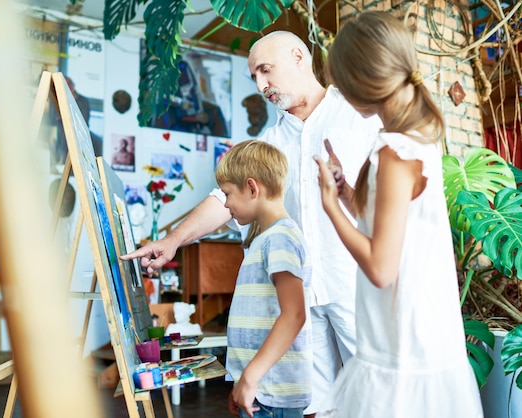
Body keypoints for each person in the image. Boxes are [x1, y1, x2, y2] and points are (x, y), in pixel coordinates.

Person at [121, 30, 382, 416]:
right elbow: (224, 201)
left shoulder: (359, 117)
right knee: (316, 407)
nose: (261, 85)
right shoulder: (271, 140)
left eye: (266, 70)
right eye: (255, 76)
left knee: (378, 397)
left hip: (356, 287)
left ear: (298, 56)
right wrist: (175, 240)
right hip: (300, 297)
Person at [313, 11, 483, 417]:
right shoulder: (413, 140)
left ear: (360, 81)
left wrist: (327, 208)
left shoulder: (394, 153)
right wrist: (345, 193)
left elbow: (380, 268)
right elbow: (384, 219)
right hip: (417, 330)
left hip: (403, 340)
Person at [215, 140, 313, 418]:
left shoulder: (280, 238)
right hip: (261, 389)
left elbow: (294, 314)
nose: (226, 203)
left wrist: (251, 377)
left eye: (227, 194)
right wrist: (243, 380)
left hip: (272, 392)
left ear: (251, 187)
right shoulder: (265, 239)